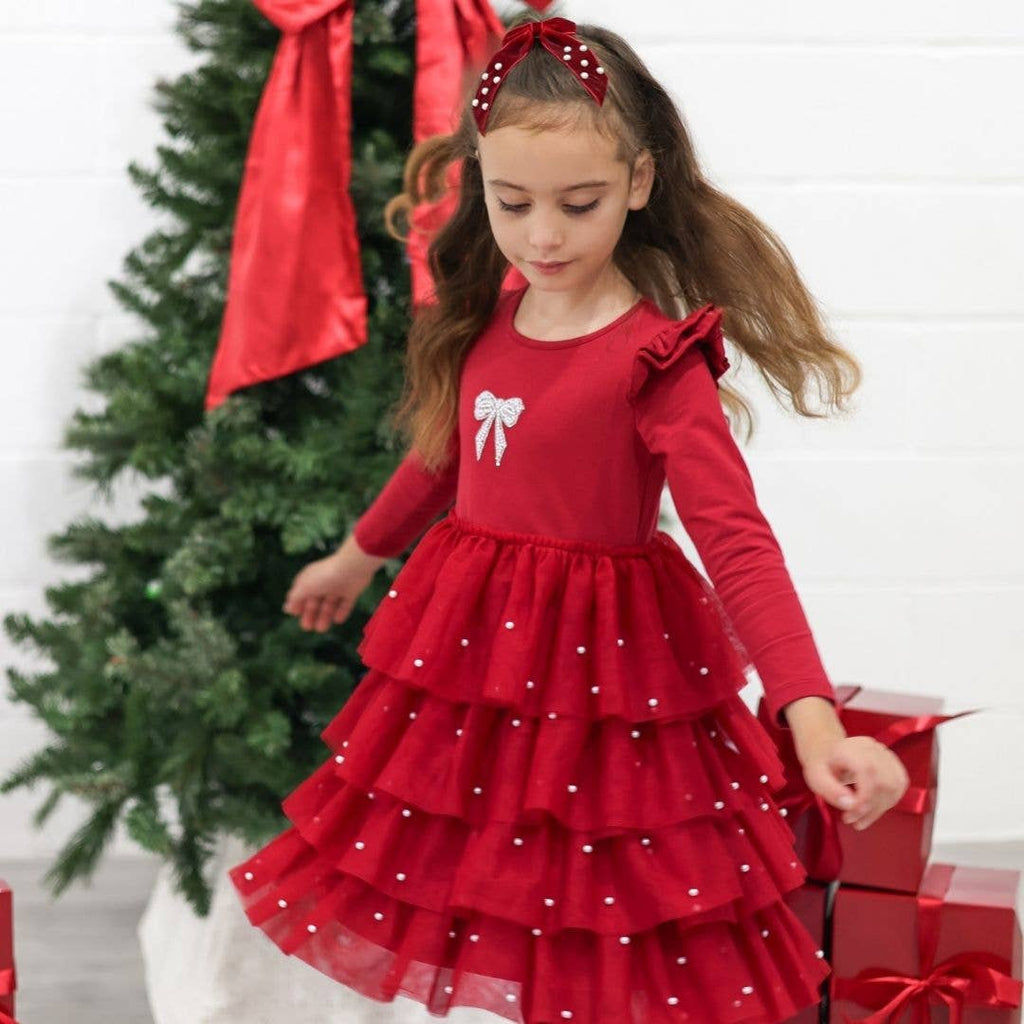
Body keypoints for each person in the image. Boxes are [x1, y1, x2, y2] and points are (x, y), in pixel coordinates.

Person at [229, 13, 910, 1023]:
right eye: (512, 204)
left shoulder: (657, 359)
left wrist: (810, 718)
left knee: (596, 907)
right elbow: (445, 457)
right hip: (474, 664)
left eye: (578, 204)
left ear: (637, 182)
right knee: (483, 885)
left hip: (604, 677)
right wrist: (355, 556)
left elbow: (734, 541)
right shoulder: (490, 314)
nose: (542, 237)